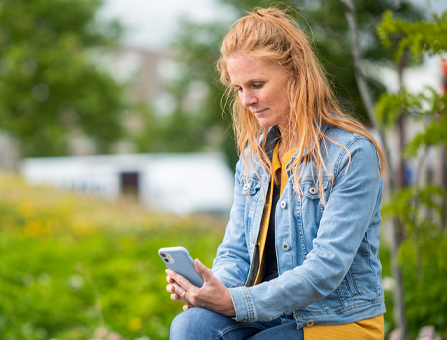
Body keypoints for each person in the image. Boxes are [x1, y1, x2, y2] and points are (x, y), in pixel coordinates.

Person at [164, 7, 387, 340]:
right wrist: (210, 291)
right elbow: (236, 252)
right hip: (270, 313)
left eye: (256, 84)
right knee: (191, 325)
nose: (246, 100)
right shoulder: (253, 158)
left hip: (335, 319)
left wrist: (234, 302)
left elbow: (325, 268)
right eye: (238, 89)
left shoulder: (351, 154)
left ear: (296, 75)